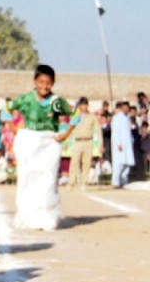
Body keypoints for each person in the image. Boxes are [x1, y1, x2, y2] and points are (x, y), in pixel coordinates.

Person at [10, 64, 79, 231]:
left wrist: (66, 133)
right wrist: (12, 127)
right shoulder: (26, 99)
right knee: (27, 177)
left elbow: (75, 116)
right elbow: (8, 109)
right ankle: (26, 216)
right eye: (41, 82)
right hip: (30, 140)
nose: (44, 86)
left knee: (47, 179)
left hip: (49, 142)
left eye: (48, 83)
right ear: (35, 81)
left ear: (53, 84)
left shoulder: (56, 102)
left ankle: (47, 216)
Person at [67, 97, 103, 190]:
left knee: (86, 163)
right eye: (82, 105)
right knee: (74, 162)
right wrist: (67, 141)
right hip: (78, 141)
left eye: (85, 105)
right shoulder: (75, 116)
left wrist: (101, 144)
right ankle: (71, 183)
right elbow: (71, 129)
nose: (83, 107)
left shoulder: (92, 117)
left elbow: (98, 130)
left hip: (88, 141)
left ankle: (84, 183)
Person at [110, 101, 135, 188]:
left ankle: (124, 180)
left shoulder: (128, 118)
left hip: (128, 144)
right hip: (119, 145)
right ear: (121, 108)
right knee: (118, 164)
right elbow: (115, 132)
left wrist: (132, 141)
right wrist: (118, 143)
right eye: (124, 107)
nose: (126, 109)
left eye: (127, 107)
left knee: (127, 163)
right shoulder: (116, 118)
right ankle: (115, 182)